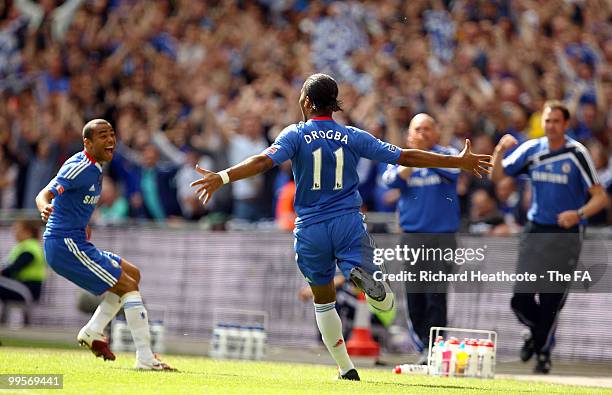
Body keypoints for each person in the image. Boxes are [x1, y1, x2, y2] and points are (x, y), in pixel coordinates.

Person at [190, 73, 492, 380]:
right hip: (347, 222)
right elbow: (405, 157)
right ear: (334, 103)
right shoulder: (352, 135)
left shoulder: (295, 134)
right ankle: (371, 283)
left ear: (306, 102)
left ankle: (346, 367)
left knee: (323, 302)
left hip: (310, 229)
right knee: (384, 301)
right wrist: (456, 162)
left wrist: (223, 176)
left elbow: (262, 162)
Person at [35, 119, 175, 371]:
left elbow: (76, 204)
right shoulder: (79, 167)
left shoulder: (96, 167)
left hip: (75, 240)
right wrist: (45, 206)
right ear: (87, 143)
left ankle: (93, 330)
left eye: (112, 134)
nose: (110, 140)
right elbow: (44, 193)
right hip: (65, 244)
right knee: (128, 286)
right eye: (102, 135)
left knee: (133, 275)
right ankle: (145, 358)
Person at [491, 100, 609, 374]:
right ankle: (536, 335)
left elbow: (600, 197)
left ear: (566, 124)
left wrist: (577, 213)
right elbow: (498, 175)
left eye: (556, 121)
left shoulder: (576, 153)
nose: (551, 126)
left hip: (566, 233)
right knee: (520, 299)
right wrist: (498, 150)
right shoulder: (532, 149)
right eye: (547, 121)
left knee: (550, 299)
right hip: (536, 230)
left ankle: (543, 355)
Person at [381, 113, 460, 364]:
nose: (423, 133)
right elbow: (390, 181)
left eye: (428, 128)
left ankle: (435, 348)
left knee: (436, 293)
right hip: (412, 238)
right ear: (409, 135)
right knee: (415, 295)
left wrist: (425, 158)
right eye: (418, 129)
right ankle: (423, 346)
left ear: (436, 132)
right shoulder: (402, 157)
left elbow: (456, 171)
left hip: (442, 237)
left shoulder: (448, 153)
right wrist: (413, 159)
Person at [0, 219, 47, 324]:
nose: (14, 232)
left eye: (17, 229)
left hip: (26, 289)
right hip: (21, 287)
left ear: (28, 232)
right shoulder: (26, 246)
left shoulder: (31, 247)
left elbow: (15, 268)